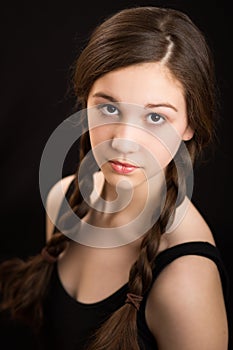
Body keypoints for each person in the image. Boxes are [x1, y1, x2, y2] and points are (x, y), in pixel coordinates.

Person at [0, 5, 229, 350]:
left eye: (155, 118)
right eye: (108, 107)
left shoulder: (186, 278)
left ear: (190, 125)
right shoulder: (62, 201)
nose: (123, 140)